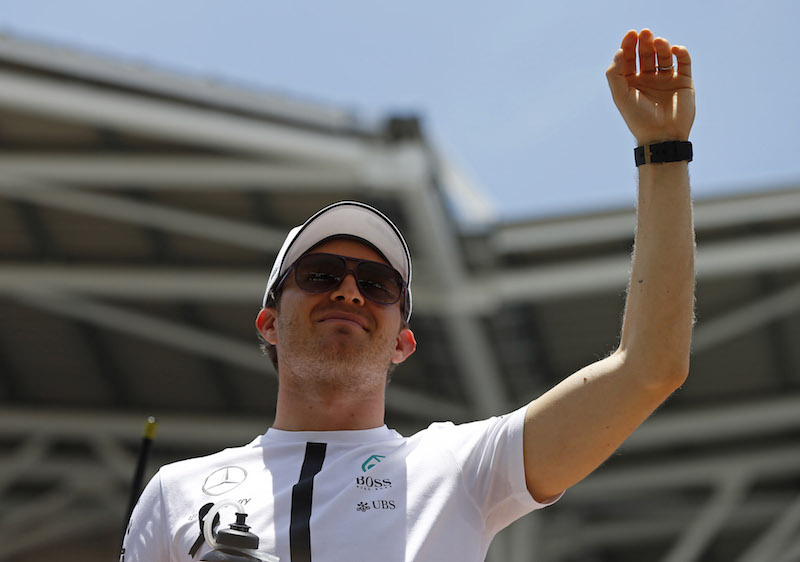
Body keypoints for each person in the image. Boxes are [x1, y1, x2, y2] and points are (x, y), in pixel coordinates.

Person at [121, 28, 695, 562]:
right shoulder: (176, 492)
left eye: (378, 286)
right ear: (268, 323)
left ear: (404, 343)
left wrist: (663, 151)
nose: (350, 291)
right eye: (321, 273)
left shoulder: (461, 469)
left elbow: (649, 367)